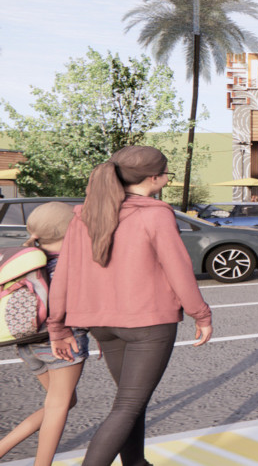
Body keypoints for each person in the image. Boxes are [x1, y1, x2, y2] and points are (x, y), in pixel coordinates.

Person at [46, 146, 213, 466]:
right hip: (148, 324)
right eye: (167, 173)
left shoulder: (85, 214)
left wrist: (58, 325)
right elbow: (178, 269)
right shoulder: (155, 213)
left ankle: (136, 463)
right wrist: (201, 314)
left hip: (103, 326)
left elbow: (64, 273)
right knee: (128, 406)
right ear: (155, 178)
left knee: (131, 402)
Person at [0, 202, 88, 466]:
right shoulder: (69, 264)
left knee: (63, 401)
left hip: (26, 343)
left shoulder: (26, 258)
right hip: (60, 342)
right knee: (59, 406)